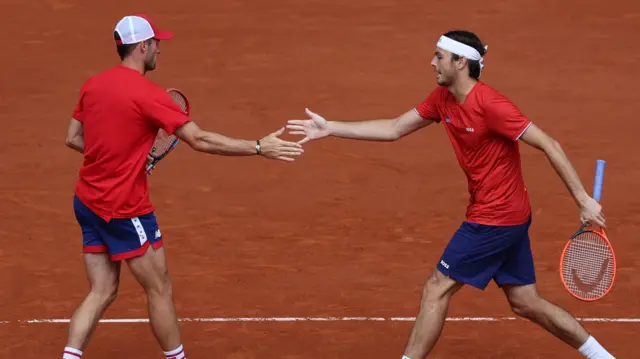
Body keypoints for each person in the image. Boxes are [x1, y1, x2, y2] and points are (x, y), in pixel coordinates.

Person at [286, 30, 615, 359]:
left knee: (437, 287)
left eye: (439, 56)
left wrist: (582, 199)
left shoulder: (492, 105)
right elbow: (394, 128)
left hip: (495, 218)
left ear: (461, 62)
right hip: (508, 214)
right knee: (525, 302)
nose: (432, 62)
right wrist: (330, 128)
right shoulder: (443, 99)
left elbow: (549, 144)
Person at [62, 14, 304, 359]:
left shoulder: (93, 84)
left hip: (86, 202)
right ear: (143, 46)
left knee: (102, 290)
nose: (160, 48)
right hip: (123, 207)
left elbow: (73, 137)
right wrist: (258, 147)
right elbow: (200, 139)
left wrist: (118, 157)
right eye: (156, 43)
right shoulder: (148, 94)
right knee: (159, 287)